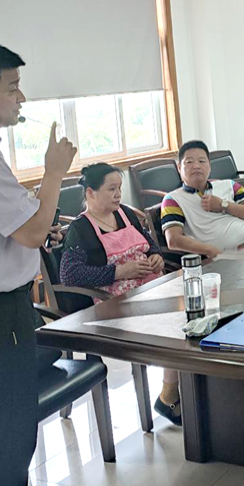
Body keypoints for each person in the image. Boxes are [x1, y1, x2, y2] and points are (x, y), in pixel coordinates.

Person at [0, 42, 76, 486]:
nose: (21, 98)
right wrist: (54, 173)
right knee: (5, 440)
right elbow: (30, 233)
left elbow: (7, 225)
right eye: (12, 89)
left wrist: (38, 217)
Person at [58, 164, 185, 425]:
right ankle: (169, 396)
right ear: (91, 193)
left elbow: (150, 244)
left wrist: (156, 258)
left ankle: (194, 391)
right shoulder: (81, 229)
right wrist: (118, 272)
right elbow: (69, 275)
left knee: (196, 306)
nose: (118, 194)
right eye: (111, 189)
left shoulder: (125, 214)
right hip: (115, 305)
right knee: (179, 321)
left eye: (120, 188)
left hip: (149, 289)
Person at [161, 141, 244, 257]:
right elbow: (173, 240)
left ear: (209, 166)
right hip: (227, 257)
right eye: (189, 162)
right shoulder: (173, 199)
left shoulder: (229, 185)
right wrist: (210, 251)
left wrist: (223, 205)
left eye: (201, 161)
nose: (196, 166)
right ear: (179, 167)